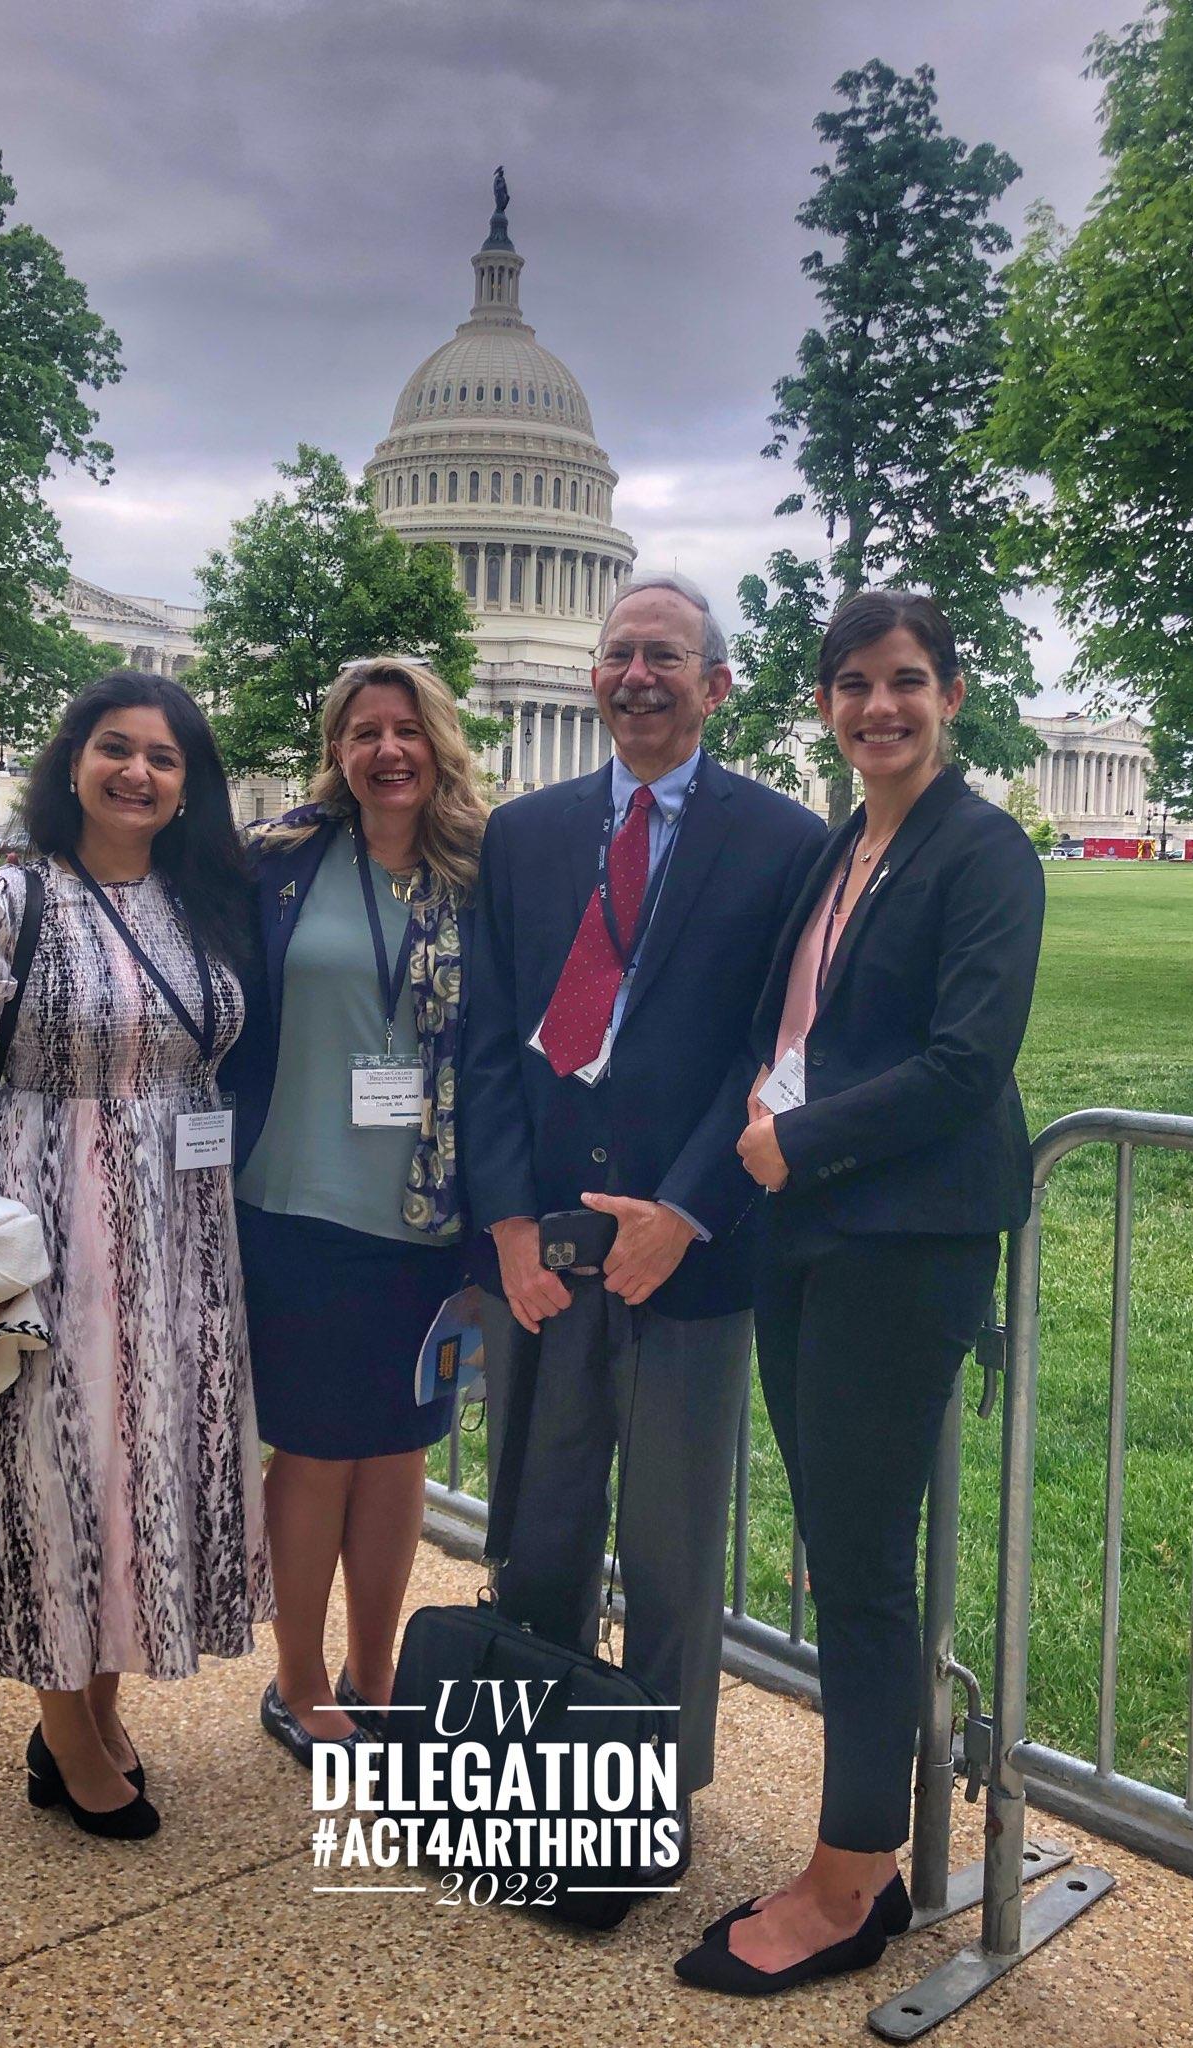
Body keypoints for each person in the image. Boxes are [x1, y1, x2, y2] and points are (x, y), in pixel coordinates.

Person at [675, 591, 1045, 1997]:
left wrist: (796, 1141)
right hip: (808, 1232)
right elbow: (805, 1030)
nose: (877, 707)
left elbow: (966, 1063)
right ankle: (858, 1852)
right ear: (824, 703)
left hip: (903, 1241)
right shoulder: (850, 847)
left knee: (866, 1563)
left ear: (951, 691)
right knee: (840, 1546)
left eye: (904, 682)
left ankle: (852, 1878)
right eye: (851, 685)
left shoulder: (984, 851)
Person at [463, 572, 825, 1869]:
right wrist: (508, 1225)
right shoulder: (528, 834)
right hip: (546, 1256)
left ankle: (647, 1799)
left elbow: (778, 1050)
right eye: (619, 654)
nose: (636, 675)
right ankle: (528, 1778)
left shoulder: (785, 843)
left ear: (716, 686)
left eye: (665, 656)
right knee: (541, 1523)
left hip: (691, 1251)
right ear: (591, 677)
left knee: (672, 1548)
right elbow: (490, 1046)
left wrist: (685, 1209)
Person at [0, 669, 273, 1840]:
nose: (138, 772)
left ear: (187, 784)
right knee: (56, 1471)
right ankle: (68, 1732)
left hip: (180, 1231)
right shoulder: (0, 894)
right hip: (50, 1213)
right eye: (115, 747)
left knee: (141, 1465)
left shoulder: (198, 899)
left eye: (164, 758)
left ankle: (90, 1700)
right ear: (72, 760)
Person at [220, 657, 487, 1763]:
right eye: (363, 730)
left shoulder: (479, 871)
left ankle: (373, 1673)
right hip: (296, 1200)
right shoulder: (280, 862)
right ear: (336, 748)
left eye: (406, 729)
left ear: (438, 742)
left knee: (398, 1451)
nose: (387, 750)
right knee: (316, 1450)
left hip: (429, 1212)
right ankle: (295, 1678)